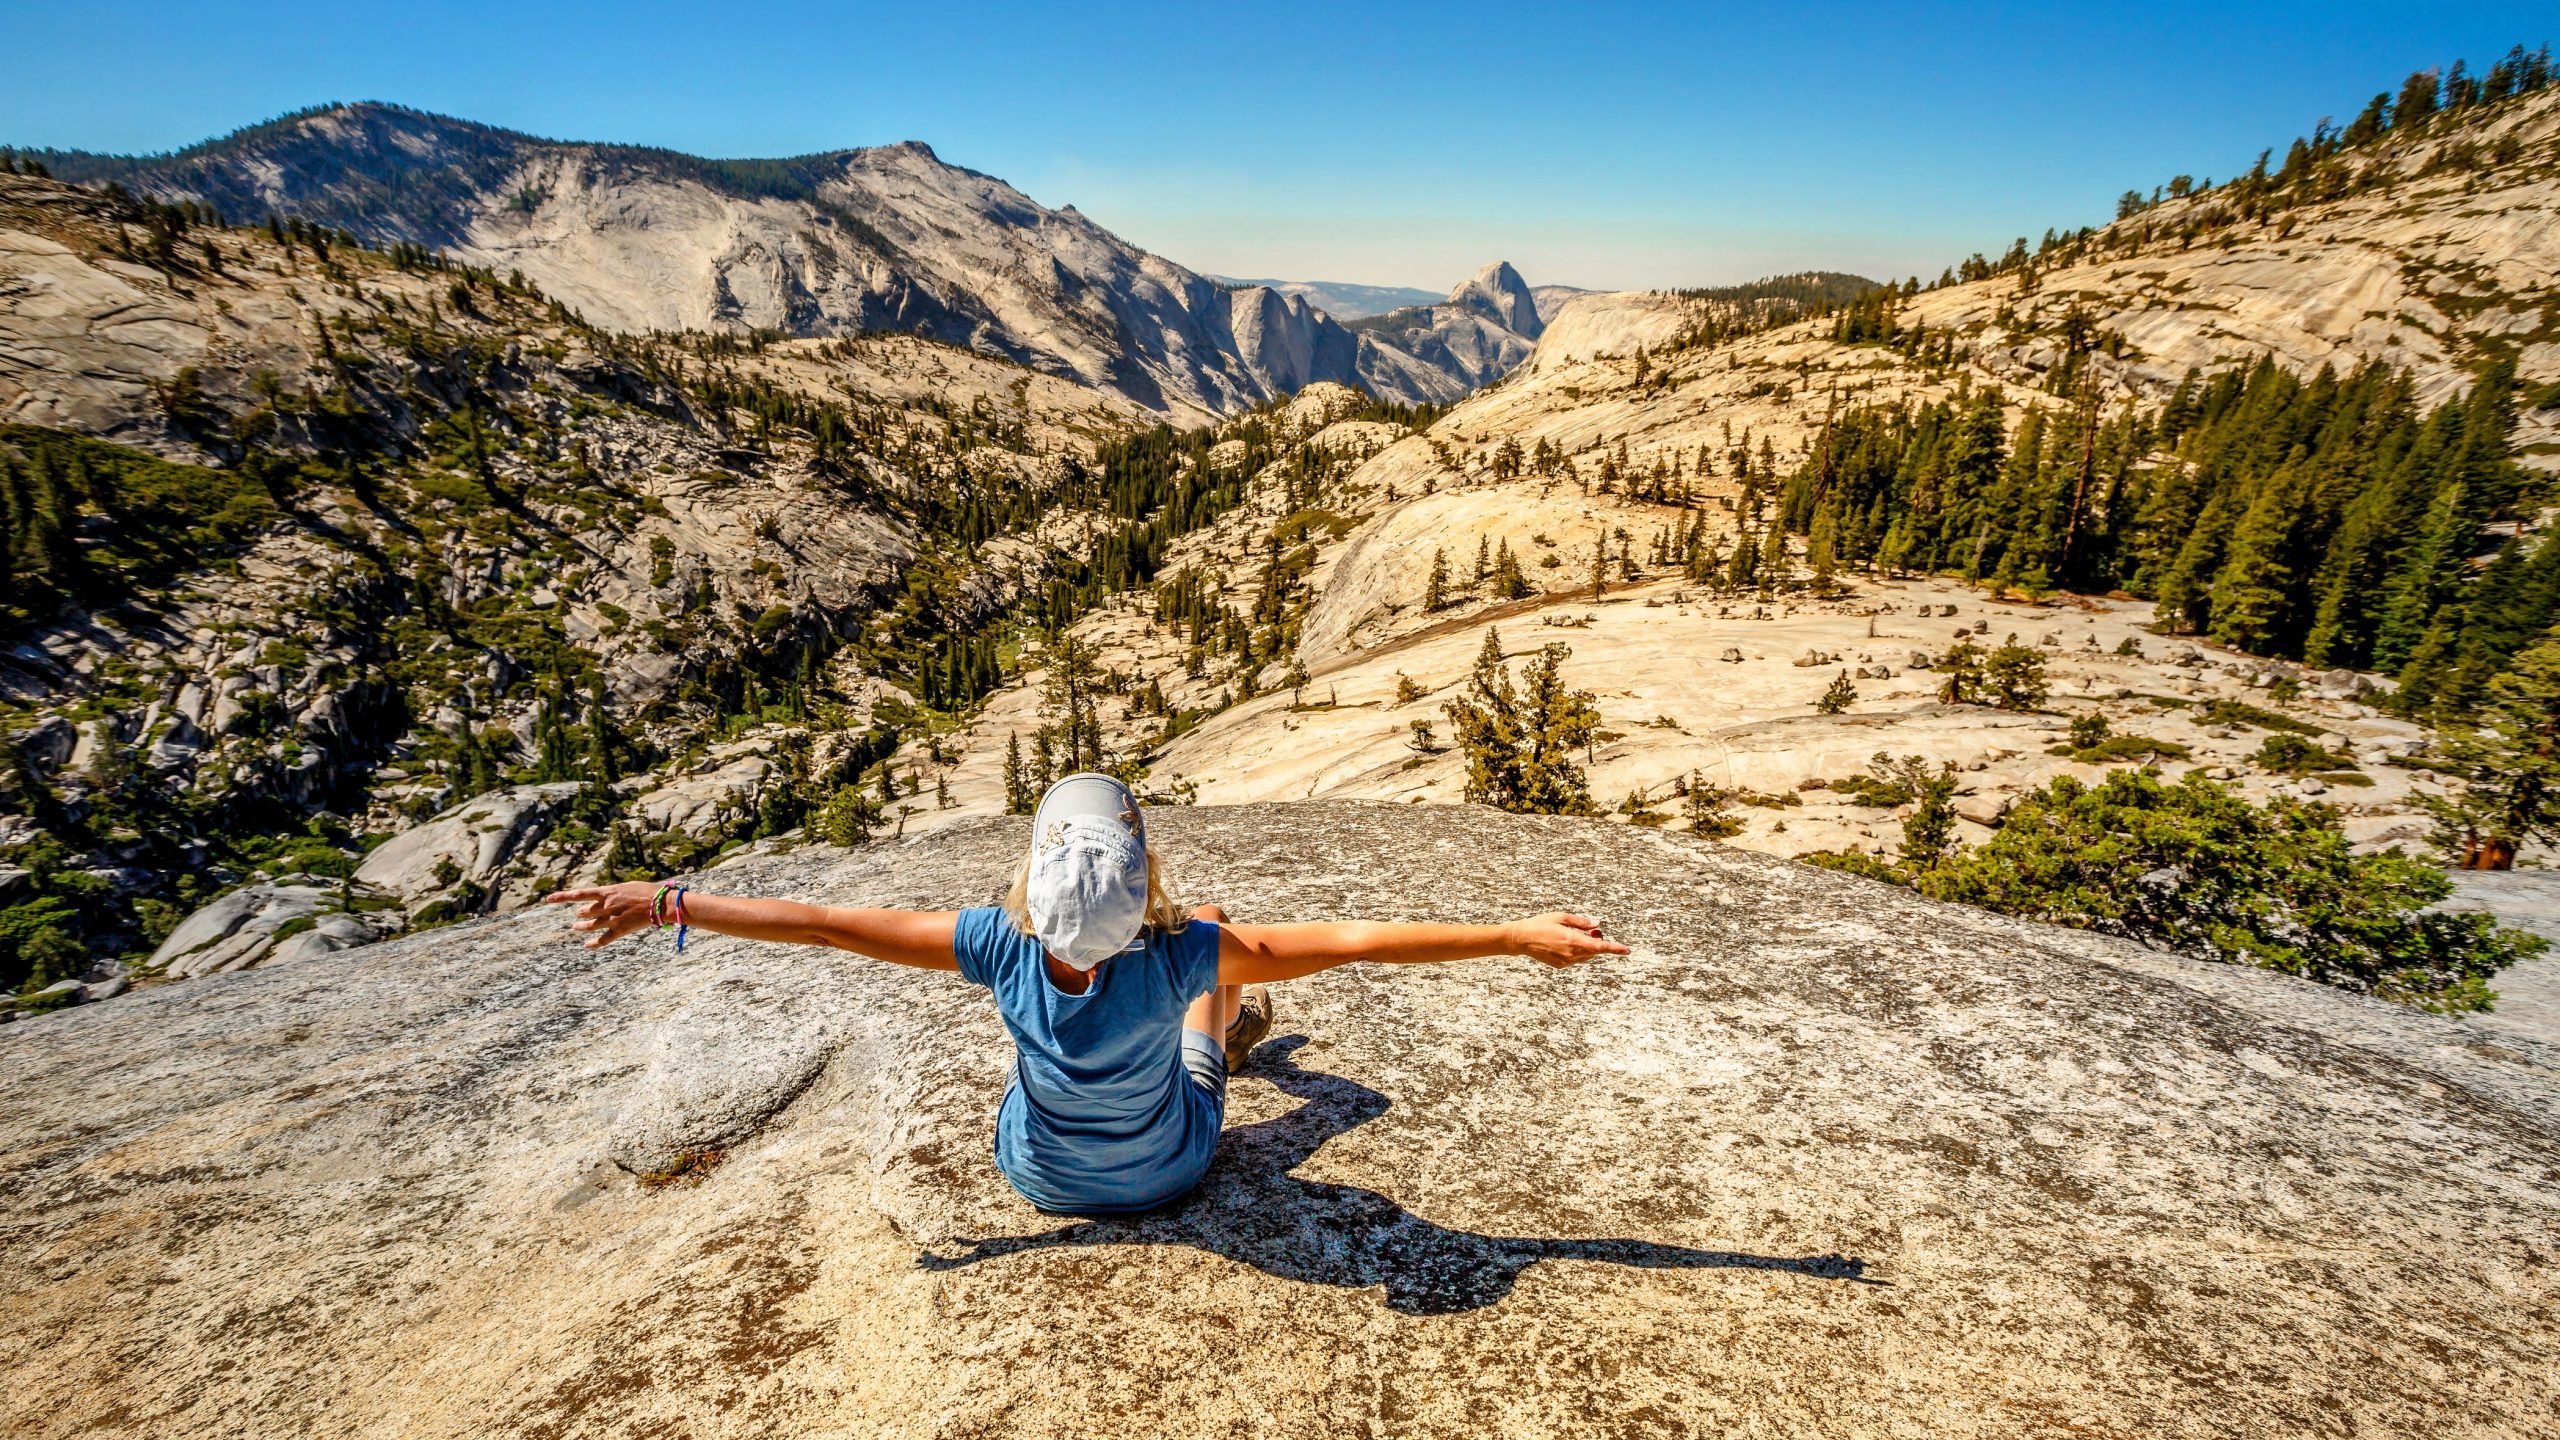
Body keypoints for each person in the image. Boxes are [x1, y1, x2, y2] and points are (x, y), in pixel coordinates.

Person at [545, 772, 1628, 1215]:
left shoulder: (991, 944)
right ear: (1144, 880)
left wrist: (668, 900)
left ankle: (1179, 1053)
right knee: (1213, 986)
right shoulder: (1183, 948)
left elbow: (823, 923)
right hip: (1171, 1169)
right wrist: (1512, 935)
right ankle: (1226, 1042)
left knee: (1045, 1072)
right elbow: (1358, 942)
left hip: (1040, 1178)